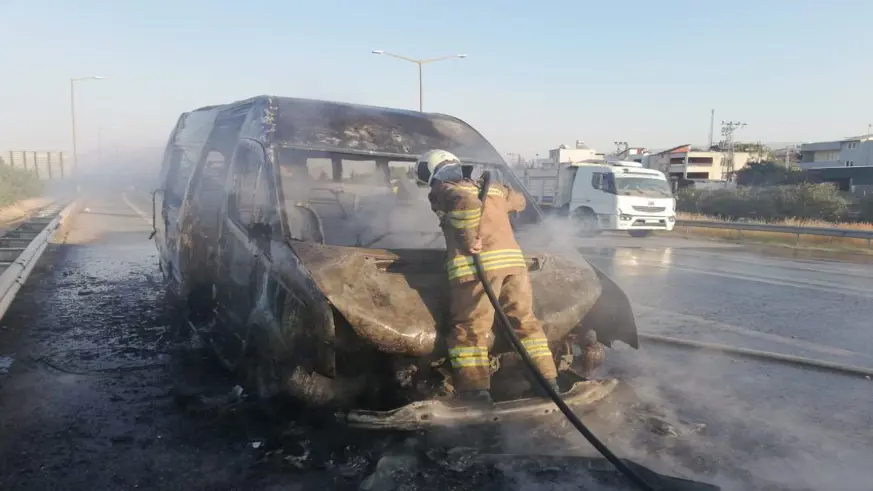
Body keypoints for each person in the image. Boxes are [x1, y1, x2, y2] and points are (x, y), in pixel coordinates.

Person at [416, 149, 560, 404]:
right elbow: (520, 201)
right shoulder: (489, 187)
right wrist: (499, 194)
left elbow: (467, 205)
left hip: (478, 270)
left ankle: (475, 393)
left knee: (470, 330)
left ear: (430, 170)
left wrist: (469, 239)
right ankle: (548, 382)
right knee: (525, 323)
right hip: (514, 266)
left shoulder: (443, 188)